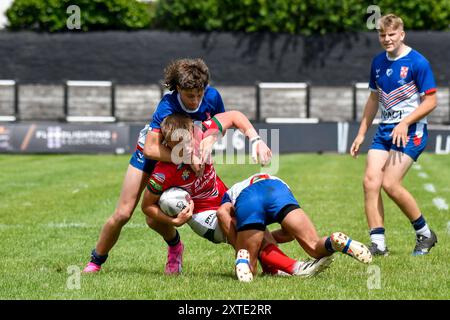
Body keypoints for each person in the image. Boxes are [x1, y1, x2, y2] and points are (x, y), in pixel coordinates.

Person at [141, 112, 331, 277]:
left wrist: (256, 141)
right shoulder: (162, 173)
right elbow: (146, 206)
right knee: (243, 227)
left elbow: (235, 116)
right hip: (202, 214)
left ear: (193, 133)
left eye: (188, 142)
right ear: (167, 144)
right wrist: (175, 222)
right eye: (178, 146)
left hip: (225, 198)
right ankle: (295, 268)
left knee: (265, 227)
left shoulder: (202, 134)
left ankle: (270, 265)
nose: (186, 150)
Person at [83, 58, 227, 273]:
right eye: (190, 95)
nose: (196, 100)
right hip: (151, 156)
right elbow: (151, 149)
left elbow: (220, 124)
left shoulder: (212, 96)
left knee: (153, 220)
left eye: (200, 94)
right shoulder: (167, 105)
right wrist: (188, 157)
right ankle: (95, 262)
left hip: (181, 156)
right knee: (123, 213)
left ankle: (174, 249)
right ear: (178, 88)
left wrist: (209, 142)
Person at [350, 14, 438, 256]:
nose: (387, 39)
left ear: (402, 34)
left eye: (391, 34)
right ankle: (378, 244)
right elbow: (373, 99)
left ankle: (425, 234)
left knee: (390, 183)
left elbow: (431, 101)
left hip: (411, 131)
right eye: (382, 35)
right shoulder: (378, 62)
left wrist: (405, 122)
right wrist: (360, 134)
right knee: (370, 182)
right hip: (385, 130)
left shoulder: (418, 62)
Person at [217, 173, 372, 282]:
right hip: (277, 189)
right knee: (313, 246)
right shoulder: (278, 182)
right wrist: (267, 239)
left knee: (250, 267)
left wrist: (239, 245)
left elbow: (221, 212)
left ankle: (244, 258)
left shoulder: (232, 191)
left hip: (248, 197)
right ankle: (333, 241)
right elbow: (289, 234)